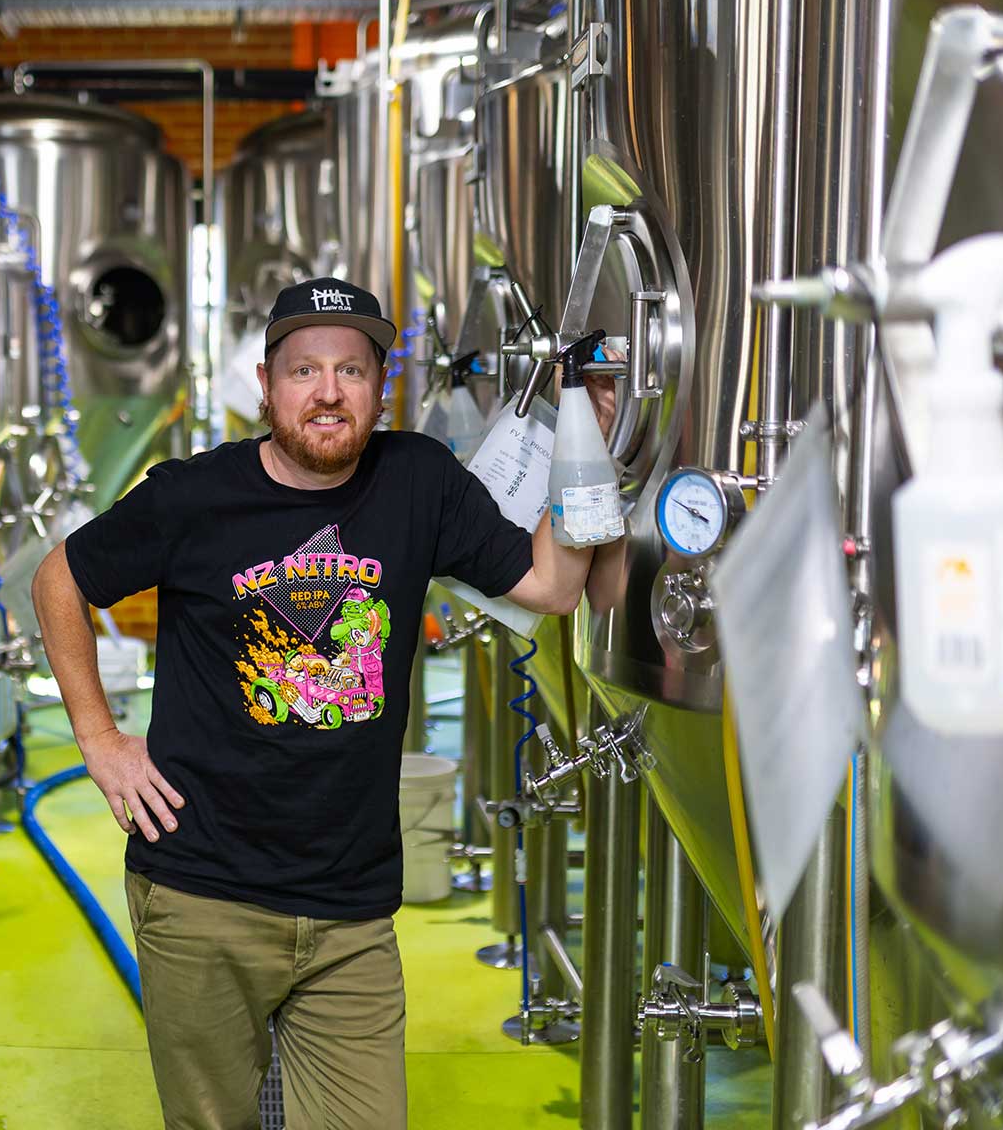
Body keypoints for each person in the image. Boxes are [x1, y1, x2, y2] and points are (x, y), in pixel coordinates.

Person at [31, 277, 615, 1130]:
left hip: (351, 908)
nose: (329, 392)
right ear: (267, 387)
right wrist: (98, 737)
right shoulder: (195, 495)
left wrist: (588, 434)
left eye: (352, 370)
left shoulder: (417, 480)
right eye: (304, 370)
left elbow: (554, 586)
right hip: (202, 894)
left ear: (380, 390)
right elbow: (60, 579)